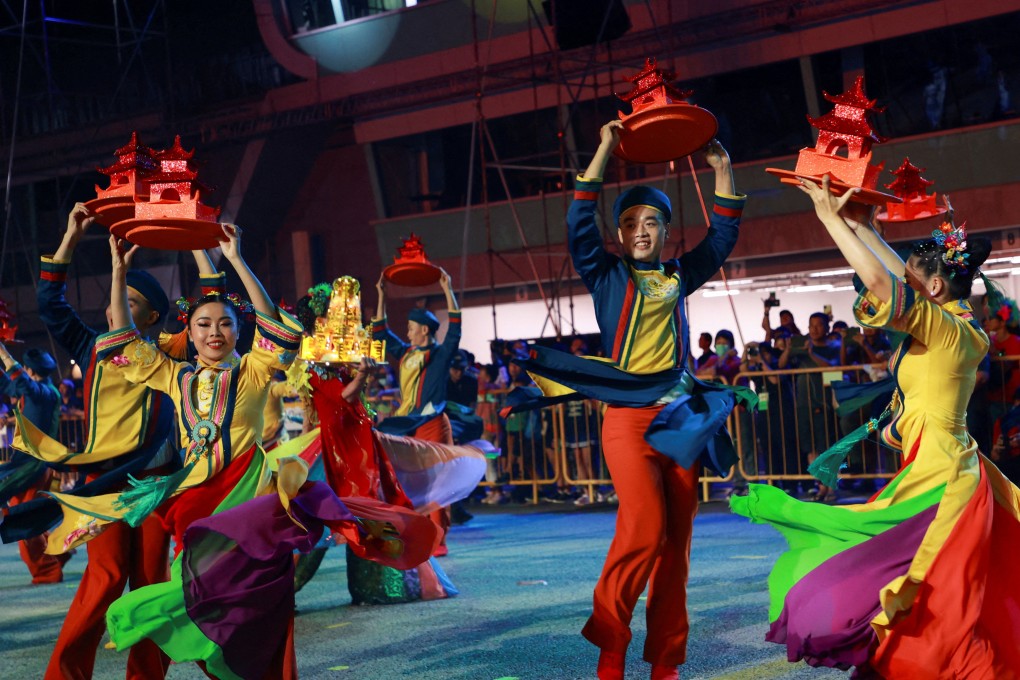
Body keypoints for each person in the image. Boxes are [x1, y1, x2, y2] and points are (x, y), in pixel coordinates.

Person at [732, 176, 1020, 677]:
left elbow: (889, 285)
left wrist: (828, 219)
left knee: (933, 604)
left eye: (915, 282)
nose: (903, 285)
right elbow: (896, 277)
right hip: (936, 467)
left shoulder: (949, 330)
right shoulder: (952, 324)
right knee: (934, 602)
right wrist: (864, 227)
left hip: (942, 481)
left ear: (932, 290)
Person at [511, 120, 746, 680]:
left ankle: (665, 661)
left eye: (652, 222)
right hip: (626, 421)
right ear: (619, 232)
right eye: (631, 222)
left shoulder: (678, 275)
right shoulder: (605, 273)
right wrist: (606, 148)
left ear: (666, 230)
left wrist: (721, 169)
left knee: (677, 546)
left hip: (680, 418)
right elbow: (578, 224)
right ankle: (611, 644)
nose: (641, 230)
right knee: (643, 528)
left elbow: (722, 238)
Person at [373, 269, 461, 556]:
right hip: (408, 422)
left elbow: (456, 328)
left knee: (436, 482)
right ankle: (415, 533)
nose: (407, 331)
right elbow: (380, 332)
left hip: (432, 422)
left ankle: (438, 539)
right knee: (410, 480)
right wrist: (381, 296)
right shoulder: (407, 353)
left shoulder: (439, 355)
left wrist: (447, 291)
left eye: (411, 327)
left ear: (425, 330)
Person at [0, 344, 65, 584]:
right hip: (30, 466)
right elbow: (9, 384)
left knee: (22, 521)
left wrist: (3, 352)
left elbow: (20, 382)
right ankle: (59, 553)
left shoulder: (43, 393)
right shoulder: (38, 391)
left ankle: (47, 571)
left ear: (29, 369)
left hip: (33, 468)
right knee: (25, 516)